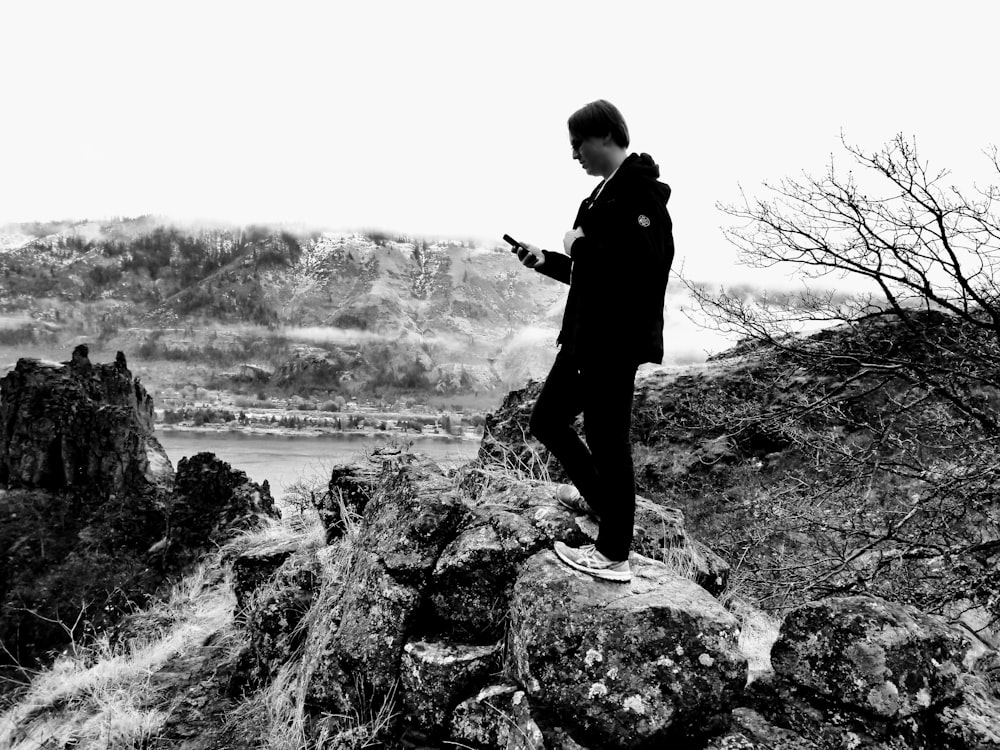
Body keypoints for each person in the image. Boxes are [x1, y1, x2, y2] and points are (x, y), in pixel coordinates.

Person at [513, 99, 674, 583]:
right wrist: (549, 261)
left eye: (577, 143)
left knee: (608, 442)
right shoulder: (603, 195)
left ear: (604, 135)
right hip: (586, 339)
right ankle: (602, 502)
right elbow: (594, 274)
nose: (574, 154)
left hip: (612, 340)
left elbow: (639, 267)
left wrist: (576, 245)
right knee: (548, 420)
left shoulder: (640, 196)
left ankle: (613, 553)